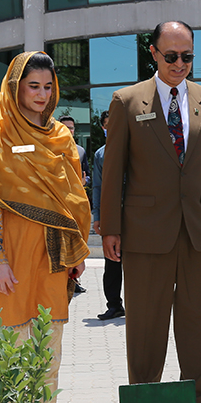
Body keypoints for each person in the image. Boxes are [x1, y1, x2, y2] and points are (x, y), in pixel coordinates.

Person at [100, 21, 201, 403]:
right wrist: (110, 227)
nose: (180, 64)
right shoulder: (127, 101)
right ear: (154, 54)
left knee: (199, 318)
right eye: (172, 56)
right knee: (146, 320)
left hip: (195, 229)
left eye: (188, 56)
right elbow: (113, 171)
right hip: (145, 230)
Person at [0, 50, 90, 403]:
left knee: (49, 338)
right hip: (12, 254)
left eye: (47, 86)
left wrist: (77, 247)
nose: (41, 94)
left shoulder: (60, 135)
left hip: (52, 252)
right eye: (32, 85)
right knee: (14, 338)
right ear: (15, 86)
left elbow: (74, 195)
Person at [90, 110, 124, 320]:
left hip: (138, 214)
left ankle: (142, 306)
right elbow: (97, 186)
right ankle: (114, 305)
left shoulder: (136, 148)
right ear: (103, 128)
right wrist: (97, 216)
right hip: (112, 215)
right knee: (112, 262)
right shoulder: (100, 155)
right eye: (107, 125)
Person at [58, 115, 88, 294]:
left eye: (72, 128)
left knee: (76, 240)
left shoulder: (81, 150)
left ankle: (74, 280)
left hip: (75, 204)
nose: (69, 130)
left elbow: (87, 173)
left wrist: (83, 182)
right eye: (66, 127)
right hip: (57, 203)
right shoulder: (50, 147)